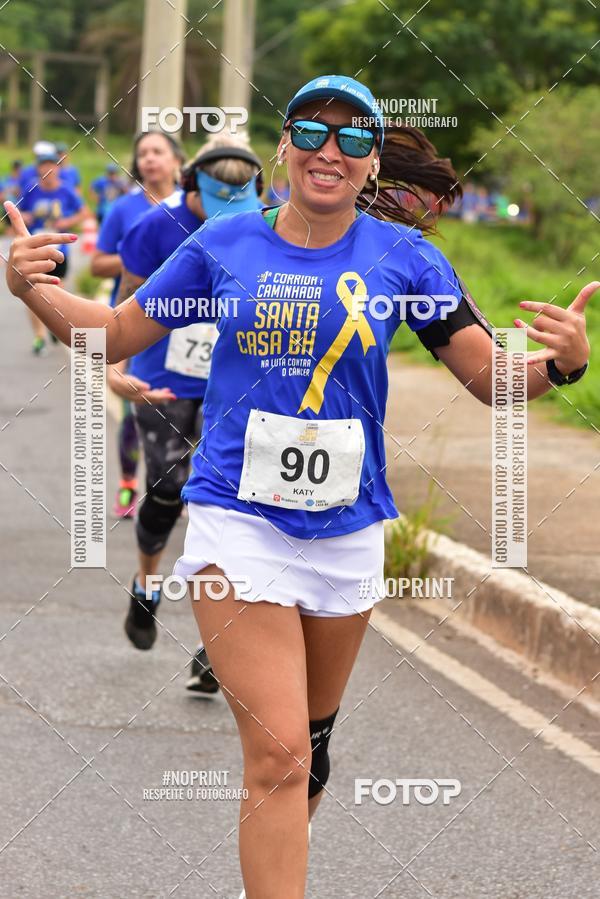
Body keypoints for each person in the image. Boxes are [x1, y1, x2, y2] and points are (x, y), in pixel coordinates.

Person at [4, 73, 595, 899]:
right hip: (237, 520)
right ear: (282, 145)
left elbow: (491, 379)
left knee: (307, 752)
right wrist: (32, 288)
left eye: (355, 139)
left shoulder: (407, 258)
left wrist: (562, 362)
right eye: (312, 132)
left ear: (371, 164)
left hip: (347, 530)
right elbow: (114, 334)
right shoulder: (223, 246)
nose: (330, 151)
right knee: (278, 754)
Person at [112, 133, 262, 694]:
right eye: (215, 195)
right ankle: (147, 585)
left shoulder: (260, 227)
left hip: (237, 384)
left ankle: (217, 641)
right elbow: (124, 302)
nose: (227, 207)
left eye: (240, 194)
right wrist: (115, 370)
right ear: (192, 184)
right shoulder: (157, 227)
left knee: (230, 504)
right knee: (170, 487)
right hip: (164, 381)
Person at [91, 131, 184, 518]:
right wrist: (142, 259)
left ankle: (177, 486)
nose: (149, 159)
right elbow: (98, 263)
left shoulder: (195, 205)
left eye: (157, 151)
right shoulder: (124, 209)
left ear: (177, 160)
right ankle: (129, 483)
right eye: (142, 152)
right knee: (135, 403)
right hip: (135, 314)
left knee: (185, 406)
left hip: (189, 321)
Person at [18, 149, 88, 354]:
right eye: (43, 165)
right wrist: (25, 217)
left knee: (57, 291)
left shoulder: (66, 191)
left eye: (51, 164)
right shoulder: (30, 189)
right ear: (38, 168)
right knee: (33, 291)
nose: (47, 169)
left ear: (58, 168)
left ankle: (54, 327)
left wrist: (68, 221)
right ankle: (39, 336)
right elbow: (16, 212)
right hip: (35, 249)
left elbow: (84, 213)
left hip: (59, 250)